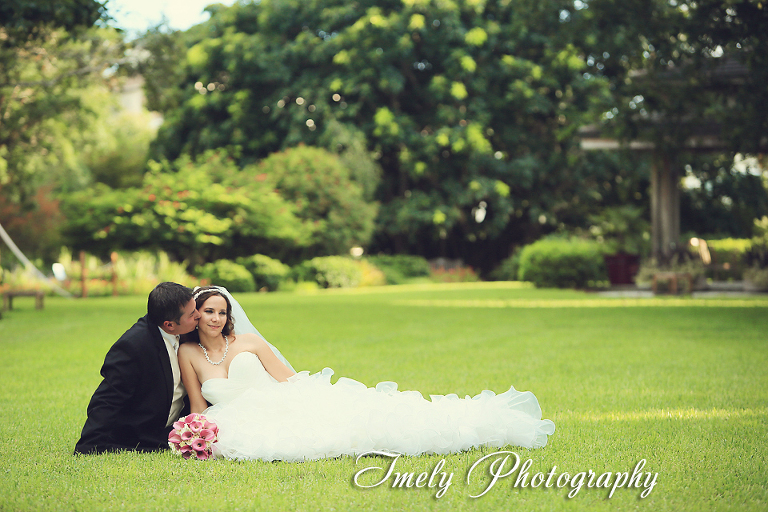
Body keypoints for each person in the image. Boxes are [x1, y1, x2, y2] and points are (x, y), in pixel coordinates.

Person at [179, 286, 555, 461]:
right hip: (237, 418)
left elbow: (289, 379)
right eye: (208, 311)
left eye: (222, 312)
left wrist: (312, 402)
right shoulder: (189, 352)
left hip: (284, 402)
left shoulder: (249, 342)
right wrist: (195, 433)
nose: (216, 318)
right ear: (196, 315)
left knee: (365, 423)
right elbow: (197, 403)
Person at [74, 282, 200, 454]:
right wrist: (89, 444)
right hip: (142, 434)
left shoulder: (190, 329)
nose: (199, 315)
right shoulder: (133, 346)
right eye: (192, 314)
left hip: (176, 426)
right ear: (169, 325)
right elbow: (108, 398)